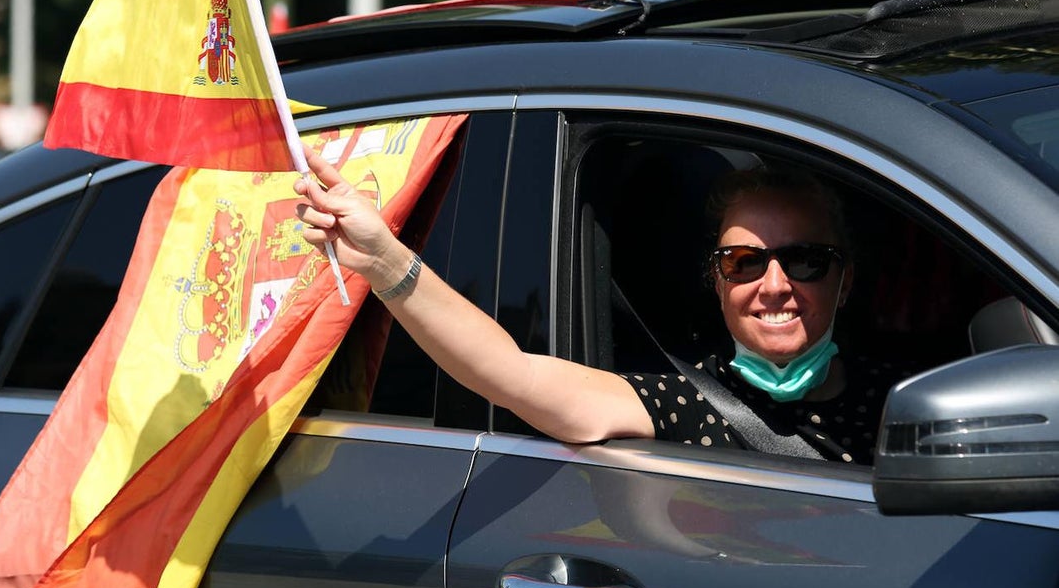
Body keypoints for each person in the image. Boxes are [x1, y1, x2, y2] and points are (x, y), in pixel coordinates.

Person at [294, 151, 905, 464]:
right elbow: (514, 374)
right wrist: (384, 264)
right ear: (716, 284)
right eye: (743, 263)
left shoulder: (908, 406)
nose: (774, 285)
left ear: (844, 282)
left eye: (806, 261)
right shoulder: (684, 405)